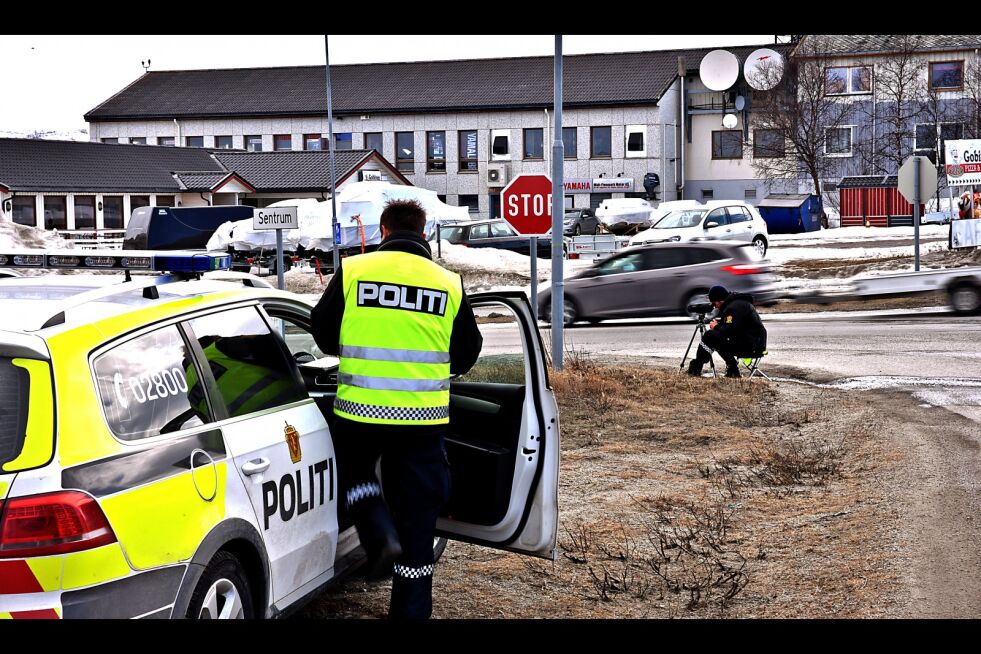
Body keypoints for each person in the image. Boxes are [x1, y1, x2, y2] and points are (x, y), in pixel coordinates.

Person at [310, 198, 482, 620]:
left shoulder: (354, 271)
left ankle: (377, 532)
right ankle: (409, 608)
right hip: (422, 418)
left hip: (360, 410)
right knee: (419, 519)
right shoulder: (448, 282)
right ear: (423, 234)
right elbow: (466, 354)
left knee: (355, 475)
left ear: (383, 231)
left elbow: (323, 335)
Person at [686, 285, 767, 379]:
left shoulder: (733, 308)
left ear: (719, 300)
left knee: (710, 336)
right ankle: (732, 369)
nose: (714, 306)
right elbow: (735, 327)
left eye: (714, 303)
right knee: (716, 337)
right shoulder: (737, 304)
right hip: (756, 343)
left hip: (751, 346)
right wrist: (719, 326)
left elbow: (731, 331)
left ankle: (696, 367)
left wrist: (716, 326)